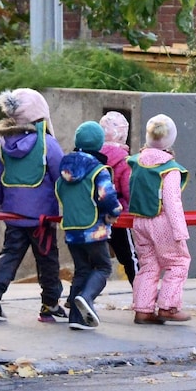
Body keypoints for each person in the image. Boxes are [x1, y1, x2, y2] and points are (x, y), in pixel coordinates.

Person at [0, 88, 66, 323]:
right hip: (42, 219)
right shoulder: (48, 144)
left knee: (9, 255)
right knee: (47, 259)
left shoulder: (2, 144)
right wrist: (67, 204)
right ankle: (50, 304)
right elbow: (61, 177)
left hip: (13, 214)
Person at [56, 121, 123, 330]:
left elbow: (58, 191)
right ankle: (87, 297)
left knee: (82, 270)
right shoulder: (98, 169)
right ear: (99, 144)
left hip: (71, 229)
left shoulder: (64, 169)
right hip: (94, 229)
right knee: (103, 267)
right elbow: (107, 196)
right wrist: (114, 212)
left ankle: (77, 318)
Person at [128, 114, 192, 324]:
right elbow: (173, 202)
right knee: (178, 262)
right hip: (162, 221)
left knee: (148, 265)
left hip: (139, 221)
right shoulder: (170, 169)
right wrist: (180, 232)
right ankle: (169, 307)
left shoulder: (136, 162)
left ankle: (143, 309)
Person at [99, 111, 139, 285]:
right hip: (119, 216)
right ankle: (141, 294)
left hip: (95, 216)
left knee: (92, 262)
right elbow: (129, 191)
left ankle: (77, 296)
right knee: (130, 257)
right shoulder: (124, 160)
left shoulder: (94, 156)